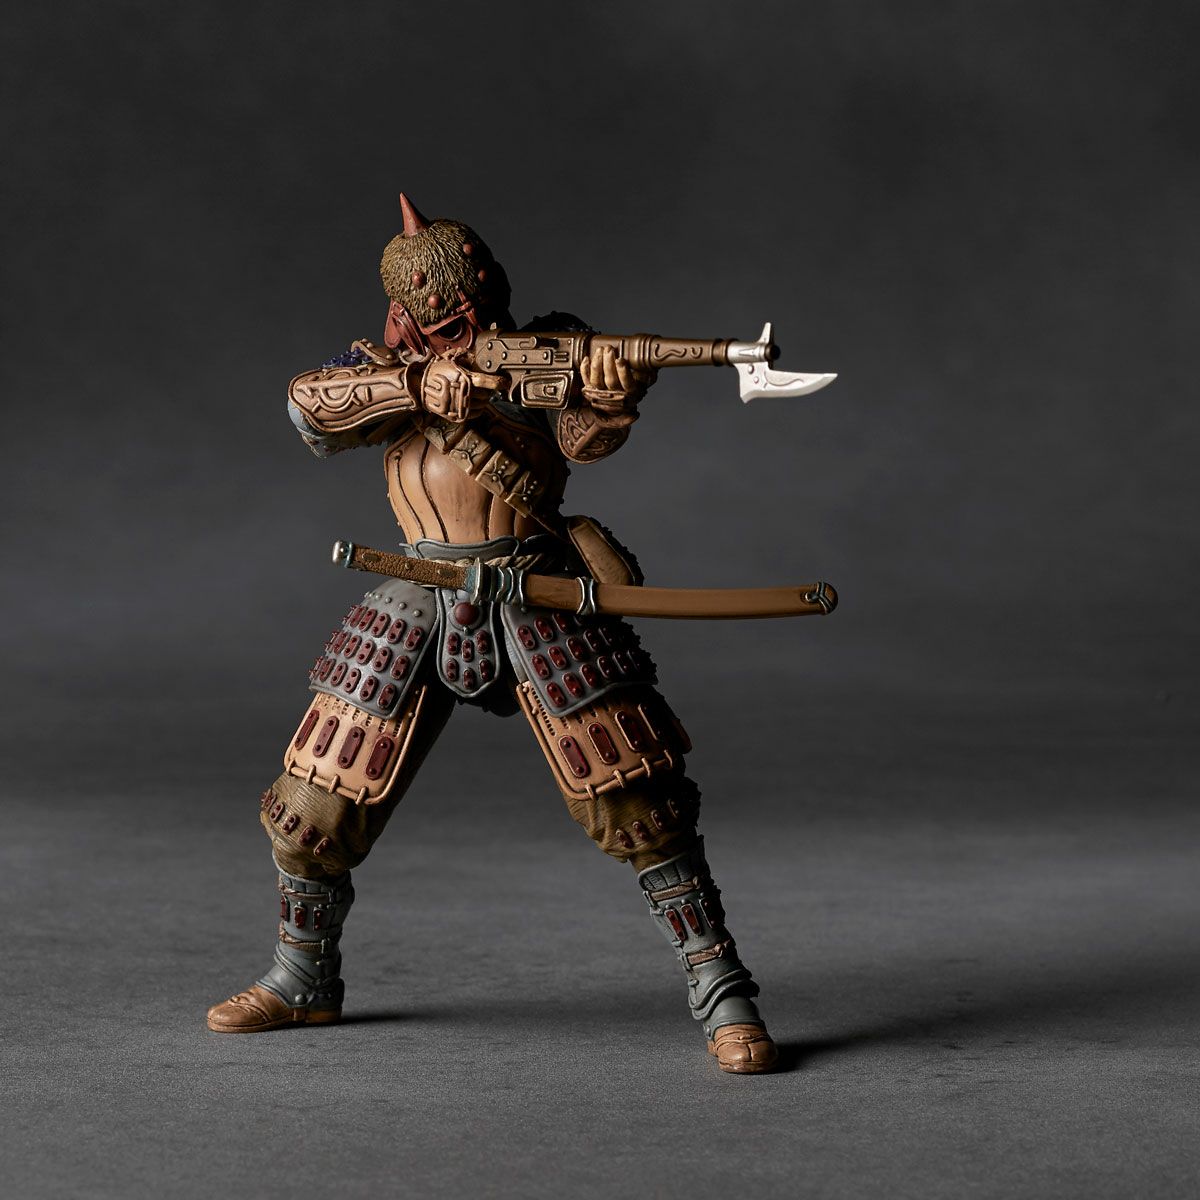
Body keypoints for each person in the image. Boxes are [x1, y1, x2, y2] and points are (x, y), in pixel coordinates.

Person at [205, 194, 780, 1073]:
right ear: (407, 319)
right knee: (313, 806)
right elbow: (307, 409)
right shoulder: (382, 368)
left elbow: (581, 441)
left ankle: (722, 990)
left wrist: (613, 400)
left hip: (534, 589)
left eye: (475, 314)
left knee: (639, 798)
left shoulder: (542, 351)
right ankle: (302, 976)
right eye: (447, 325)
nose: (470, 333)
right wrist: (416, 386)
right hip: (418, 593)